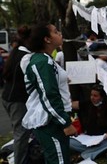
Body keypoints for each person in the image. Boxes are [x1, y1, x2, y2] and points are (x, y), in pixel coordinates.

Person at [21, 23, 77, 164]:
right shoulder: (42, 62)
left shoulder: (46, 59)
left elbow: (49, 86)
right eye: (56, 32)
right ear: (47, 39)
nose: (60, 34)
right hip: (50, 122)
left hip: (54, 120)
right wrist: (65, 122)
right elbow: (49, 96)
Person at [2, 26, 32, 164]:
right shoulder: (25, 56)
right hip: (17, 100)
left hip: (8, 97)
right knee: (21, 133)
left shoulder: (17, 51)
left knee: (21, 132)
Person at [70, 84, 107, 161]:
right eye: (91, 95)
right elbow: (71, 104)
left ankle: (84, 155)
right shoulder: (87, 103)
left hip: (102, 140)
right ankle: (99, 152)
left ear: (102, 97)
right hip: (87, 140)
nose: (92, 97)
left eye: (95, 96)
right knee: (68, 141)